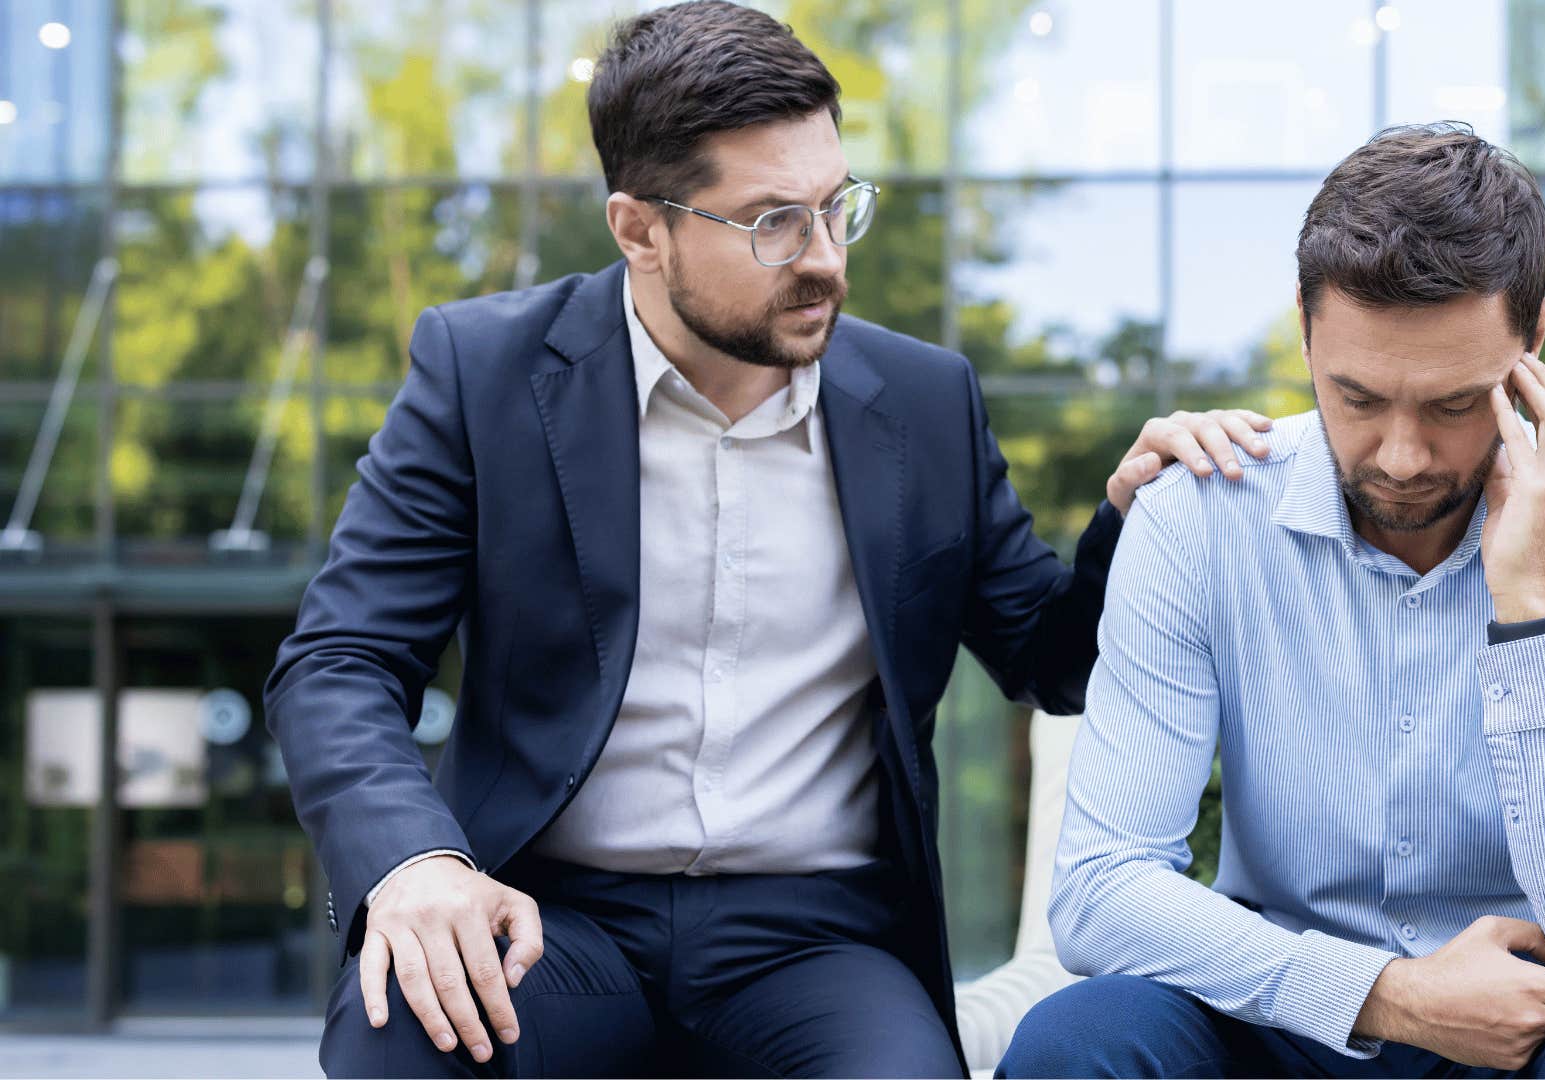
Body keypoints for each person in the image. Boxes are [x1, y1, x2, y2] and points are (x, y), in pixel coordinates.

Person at [264, 3, 1270, 1076]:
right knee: (404, 1041)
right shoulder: (484, 374)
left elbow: (1051, 662)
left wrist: (1132, 518)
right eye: (773, 222)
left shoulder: (925, 405)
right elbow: (340, 663)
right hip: (550, 915)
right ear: (638, 230)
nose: (827, 259)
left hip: (817, 939)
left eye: (838, 207)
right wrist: (415, 864)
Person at [999, 124, 1545, 1079]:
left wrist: (1529, 605)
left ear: (1534, 338)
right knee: (1076, 1043)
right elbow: (1100, 889)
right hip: (1275, 1007)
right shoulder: (1194, 520)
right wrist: (1386, 995)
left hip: (1524, 1023)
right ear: (1304, 326)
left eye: (1453, 404)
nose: (1401, 456)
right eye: (1357, 397)